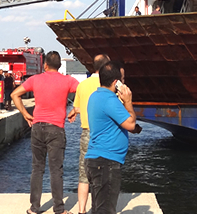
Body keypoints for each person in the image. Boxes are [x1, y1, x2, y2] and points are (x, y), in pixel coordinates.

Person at [11, 51, 79, 214]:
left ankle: (34, 208)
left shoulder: (35, 79)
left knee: (37, 168)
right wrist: (75, 109)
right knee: (56, 170)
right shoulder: (68, 80)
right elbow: (85, 93)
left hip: (37, 127)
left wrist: (25, 114)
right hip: (56, 129)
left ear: (45, 65)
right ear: (60, 66)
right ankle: (59, 209)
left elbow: (14, 94)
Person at [84, 62, 139, 214]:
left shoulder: (95, 96)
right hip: (106, 162)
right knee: (105, 210)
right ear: (116, 82)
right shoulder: (110, 100)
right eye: (122, 79)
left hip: (95, 160)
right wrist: (128, 102)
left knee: (98, 208)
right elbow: (131, 124)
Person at [66, 54, 111, 214]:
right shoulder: (109, 85)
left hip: (87, 133)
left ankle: (81, 210)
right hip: (104, 134)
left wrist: (74, 111)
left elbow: (78, 107)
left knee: (84, 175)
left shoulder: (82, 85)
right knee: (103, 174)